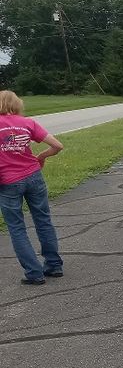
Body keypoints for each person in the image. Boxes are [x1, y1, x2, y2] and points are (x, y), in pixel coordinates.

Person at [0, 91, 64, 285]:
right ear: (18, 104)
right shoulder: (27, 123)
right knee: (43, 220)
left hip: (8, 182)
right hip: (34, 176)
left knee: (17, 228)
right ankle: (54, 265)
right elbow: (57, 146)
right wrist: (41, 157)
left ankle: (34, 273)